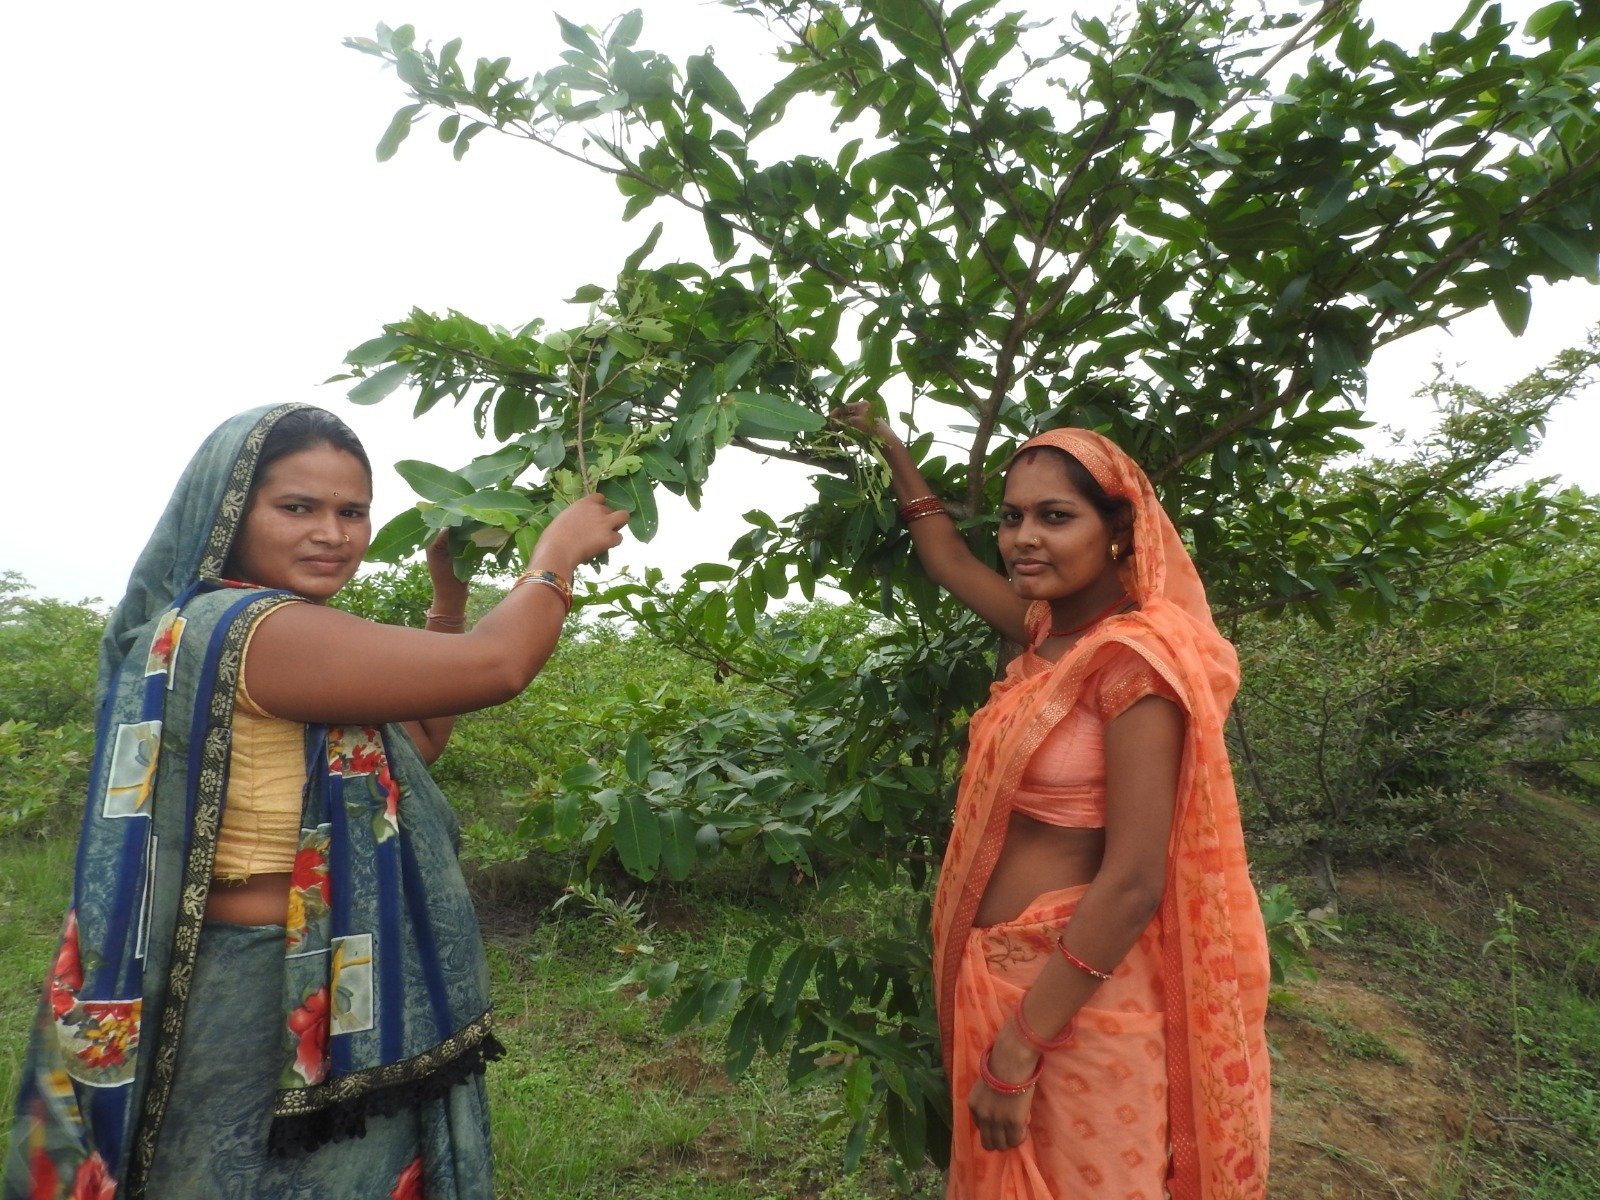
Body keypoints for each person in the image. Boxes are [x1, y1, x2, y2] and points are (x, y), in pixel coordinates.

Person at [5, 404, 630, 1200]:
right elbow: (496, 667)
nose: (331, 533)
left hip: (301, 977)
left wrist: (446, 596)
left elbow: (415, 743)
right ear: (231, 515)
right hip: (256, 991)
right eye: (297, 508)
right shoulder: (249, 628)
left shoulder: (251, 630)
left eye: (352, 512)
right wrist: (554, 557)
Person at [837, 406, 1270, 1199]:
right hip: (997, 977)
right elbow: (944, 559)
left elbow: (1134, 880)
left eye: (1055, 517)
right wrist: (890, 447)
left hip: (1075, 1002)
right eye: (1011, 518)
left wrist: (1020, 1047)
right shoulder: (1041, 633)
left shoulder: (1134, 666)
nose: (1023, 538)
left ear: (1117, 531)